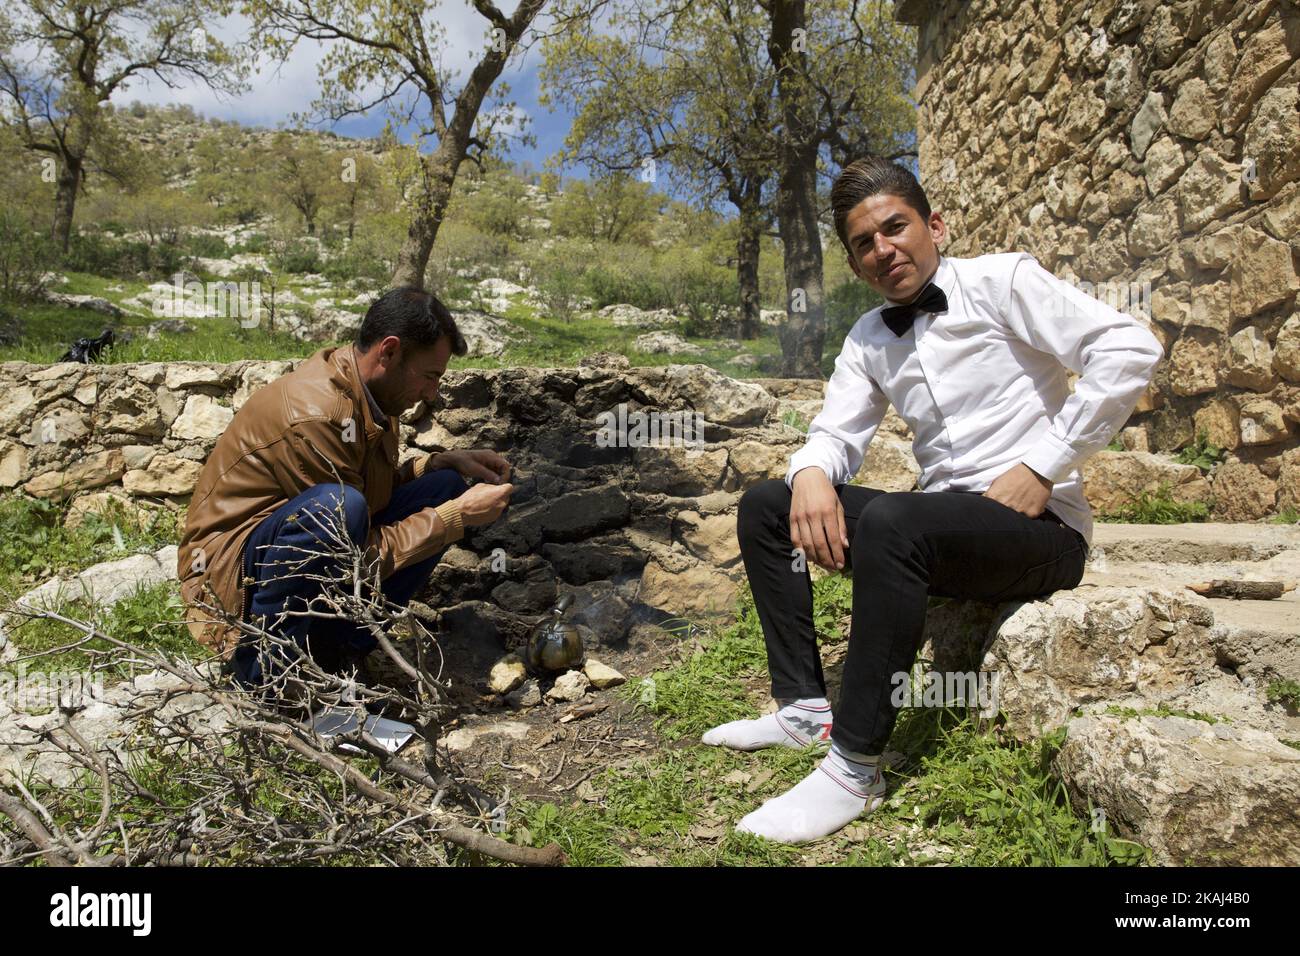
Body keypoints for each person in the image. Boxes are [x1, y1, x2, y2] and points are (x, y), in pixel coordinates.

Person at [705, 157, 1164, 844]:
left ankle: (855, 769)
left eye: (896, 227)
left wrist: (1043, 465)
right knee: (768, 504)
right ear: (856, 262)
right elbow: (835, 431)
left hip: (1041, 532)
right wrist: (810, 474)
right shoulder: (867, 338)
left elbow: (1128, 347)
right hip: (945, 529)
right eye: (864, 242)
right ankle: (804, 708)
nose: (883, 249)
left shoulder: (1001, 281)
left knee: (895, 518)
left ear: (935, 225)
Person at [178, 287, 515, 688]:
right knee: (340, 508)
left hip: (303, 543)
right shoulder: (315, 414)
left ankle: (337, 651)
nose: (432, 394)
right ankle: (265, 674)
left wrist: (438, 462)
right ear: (388, 352)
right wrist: (454, 519)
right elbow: (348, 547)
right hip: (229, 581)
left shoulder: (371, 393)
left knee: (442, 486)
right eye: (429, 377)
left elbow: (368, 490)